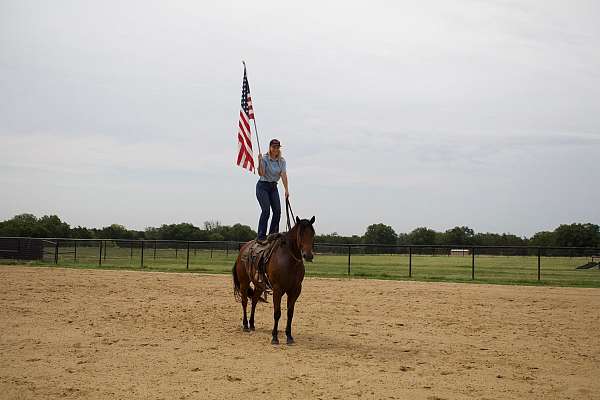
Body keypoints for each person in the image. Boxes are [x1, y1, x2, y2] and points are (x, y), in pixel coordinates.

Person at [256, 138, 289, 241]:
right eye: (273, 147)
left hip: (273, 187)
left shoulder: (282, 161)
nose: (275, 149)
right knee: (266, 210)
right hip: (262, 186)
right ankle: (261, 236)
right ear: (270, 147)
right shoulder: (265, 158)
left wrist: (286, 190)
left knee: (277, 211)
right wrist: (259, 161)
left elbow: (283, 175)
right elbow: (261, 173)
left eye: (277, 147)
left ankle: (272, 235)